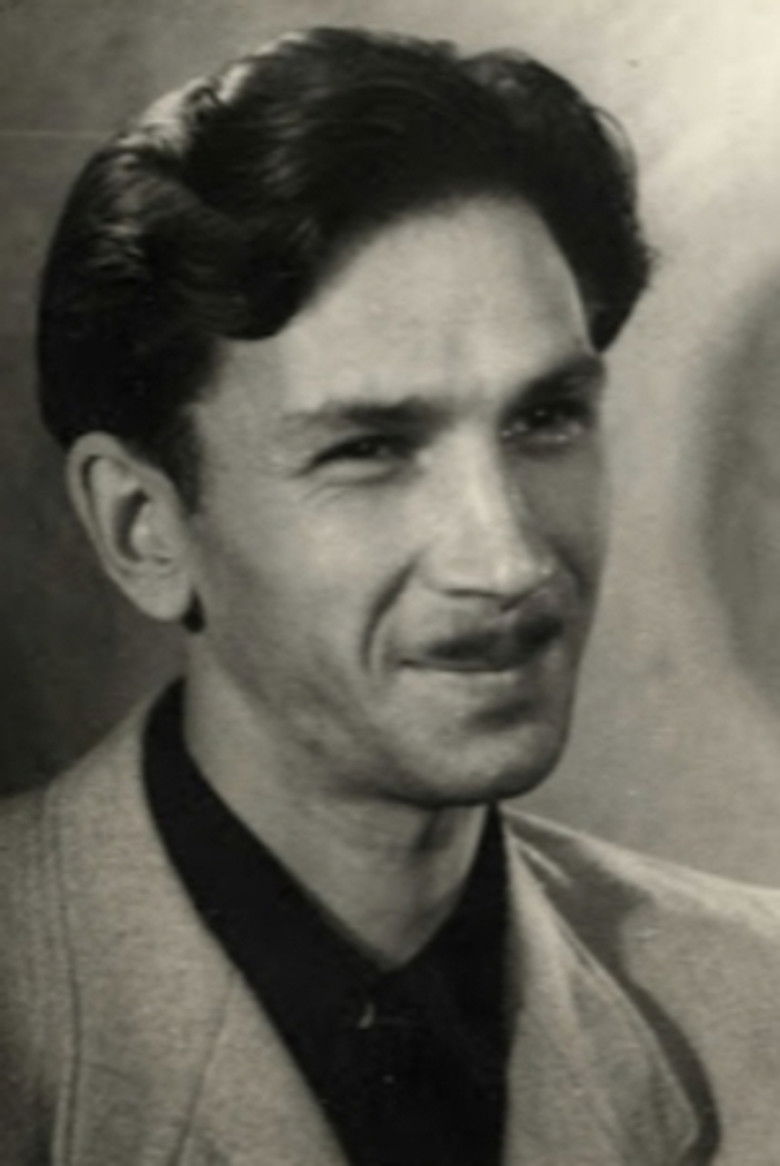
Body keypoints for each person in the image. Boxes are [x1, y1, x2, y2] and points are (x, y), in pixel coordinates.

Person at [2, 25, 779, 1165]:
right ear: (143, 527)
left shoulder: (760, 1003)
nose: (508, 559)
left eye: (546, 418)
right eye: (370, 448)